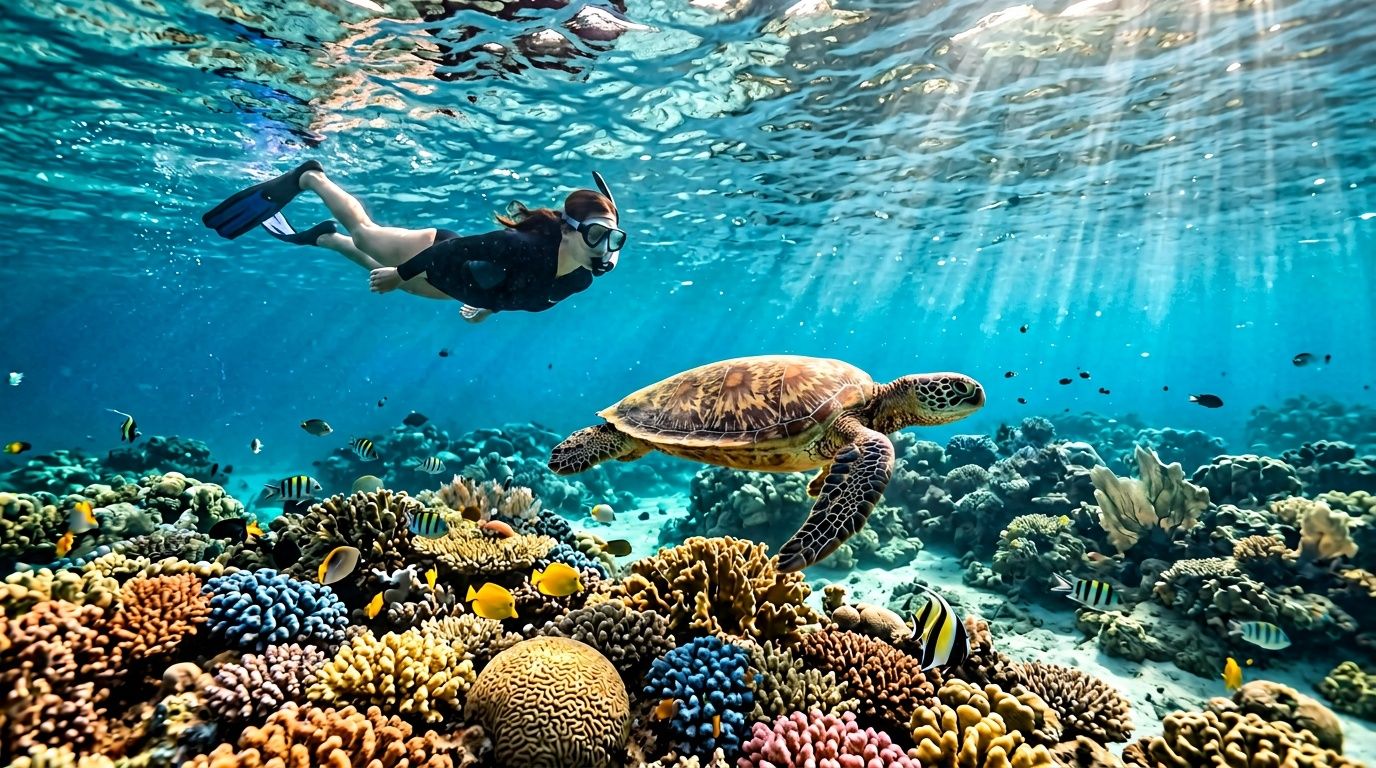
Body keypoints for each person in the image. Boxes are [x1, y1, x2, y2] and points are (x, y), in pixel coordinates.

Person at [201, 161, 625, 321]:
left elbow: (526, 290)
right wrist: (401, 272)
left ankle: (327, 238)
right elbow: (455, 250)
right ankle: (311, 177)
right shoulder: (523, 247)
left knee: (390, 277)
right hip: (434, 252)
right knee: (366, 235)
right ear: (569, 229)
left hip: (453, 286)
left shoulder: (580, 280)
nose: (604, 248)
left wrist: (488, 308)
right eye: (597, 235)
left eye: (614, 240)